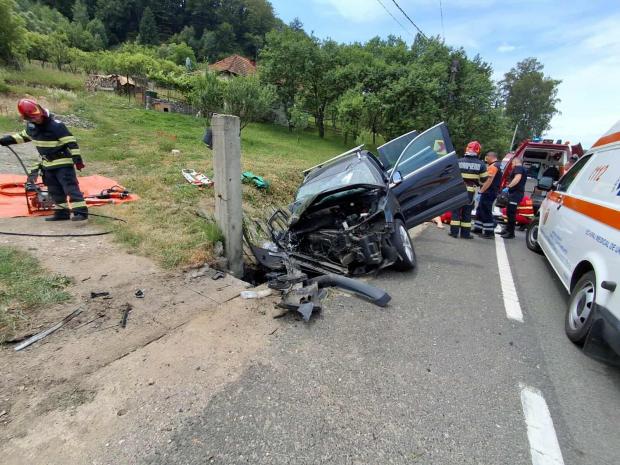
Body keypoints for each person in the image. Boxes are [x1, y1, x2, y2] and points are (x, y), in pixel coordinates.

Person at [0, 99, 88, 221]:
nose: (37, 119)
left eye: (37, 116)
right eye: (33, 118)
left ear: (41, 111)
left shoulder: (56, 126)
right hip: (47, 164)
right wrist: (5, 140)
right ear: (27, 118)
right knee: (54, 190)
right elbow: (22, 137)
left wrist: (78, 160)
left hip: (63, 163)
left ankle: (81, 212)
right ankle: (61, 213)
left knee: (70, 188)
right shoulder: (31, 127)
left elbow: (71, 142)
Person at [449, 141, 487, 239]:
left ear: (467, 149)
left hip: (458, 189)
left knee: (456, 211)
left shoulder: (458, 161)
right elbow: (484, 179)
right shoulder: (481, 164)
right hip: (470, 191)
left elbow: (451, 175)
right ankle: (465, 234)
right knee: (467, 212)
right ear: (478, 151)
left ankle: (454, 233)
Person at [473, 151, 501, 238]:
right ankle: (478, 228)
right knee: (480, 209)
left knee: (486, 211)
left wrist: (481, 191)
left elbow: (489, 180)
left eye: (487, 158)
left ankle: (489, 232)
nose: (486, 159)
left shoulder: (493, 166)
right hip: (492, 191)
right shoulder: (499, 165)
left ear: (490, 157)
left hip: (488, 191)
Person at [498, 157, 526, 239]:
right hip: (514, 193)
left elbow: (517, 178)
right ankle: (507, 230)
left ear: (516, 161)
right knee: (509, 212)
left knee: (511, 213)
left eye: (512, 163)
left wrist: (508, 187)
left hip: (515, 194)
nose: (512, 165)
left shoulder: (519, 168)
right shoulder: (519, 168)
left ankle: (510, 233)